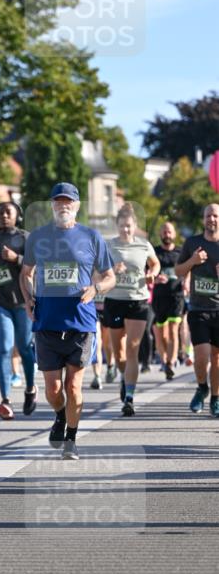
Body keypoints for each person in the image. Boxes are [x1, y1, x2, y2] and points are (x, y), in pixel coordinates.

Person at [20, 182, 115, 460]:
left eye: (68, 202)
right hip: (47, 321)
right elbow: (26, 272)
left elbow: (110, 276)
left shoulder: (91, 236)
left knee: (74, 386)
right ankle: (60, 415)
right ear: (52, 205)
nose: (64, 206)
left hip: (80, 324)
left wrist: (96, 288)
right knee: (53, 390)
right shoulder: (38, 237)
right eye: (59, 201)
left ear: (77, 206)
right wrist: (27, 296)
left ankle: (71, 439)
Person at [0, 201, 37, 419]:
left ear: (18, 216)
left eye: (8, 212)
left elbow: (39, 265)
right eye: (0, 213)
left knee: (23, 347)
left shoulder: (26, 237)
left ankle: (31, 389)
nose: (3, 216)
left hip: (22, 301)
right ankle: (5, 400)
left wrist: (17, 258)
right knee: (3, 348)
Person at [103, 203, 160, 416]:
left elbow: (155, 263)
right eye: (122, 226)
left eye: (129, 226)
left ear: (134, 226)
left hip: (138, 300)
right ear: (117, 226)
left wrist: (152, 272)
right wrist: (112, 270)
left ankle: (129, 397)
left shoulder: (144, 245)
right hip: (114, 299)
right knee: (118, 353)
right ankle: (123, 376)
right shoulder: (108, 246)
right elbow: (97, 272)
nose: (125, 230)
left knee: (133, 348)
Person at [175, 203, 219, 416]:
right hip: (198, 308)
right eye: (209, 215)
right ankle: (202, 387)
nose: (212, 219)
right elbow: (178, 271)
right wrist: (192, 260)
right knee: (202, 355)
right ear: (203, 219)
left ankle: (216, 399)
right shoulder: (193, 243)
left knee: (217, 359)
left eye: (216, 216)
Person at [152, 221, 185, 379]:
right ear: (160, 234)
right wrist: (155, 278)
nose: (167, 234)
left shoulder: (181, 251)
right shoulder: (155, 252)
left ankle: (171, 363)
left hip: (176, 296)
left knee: (173, 330)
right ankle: (164, 361)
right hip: (159, 297)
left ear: (174, 234)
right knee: (162, 334)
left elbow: (188, 269)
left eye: (169, 232)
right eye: (164, 232)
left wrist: (187, 282)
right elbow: (148, 271)